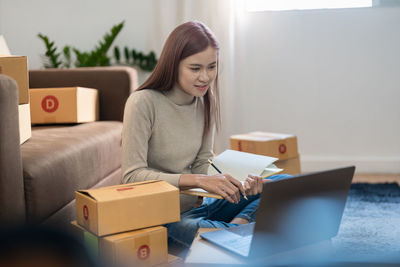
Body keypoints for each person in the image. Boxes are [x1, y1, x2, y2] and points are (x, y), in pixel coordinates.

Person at [122, 21, 290, 250]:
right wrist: (199, 180)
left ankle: (238, 227)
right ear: (173, 64)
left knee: (286, 186)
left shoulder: (204, 99)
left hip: (205, 204)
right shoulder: (142, 102)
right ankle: (241, 231)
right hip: (167, 217)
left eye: (212, 67)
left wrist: (240, 184)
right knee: (250, 228)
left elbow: (203, 162)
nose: (205, 77)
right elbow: (132, 176)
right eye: (195, 68)